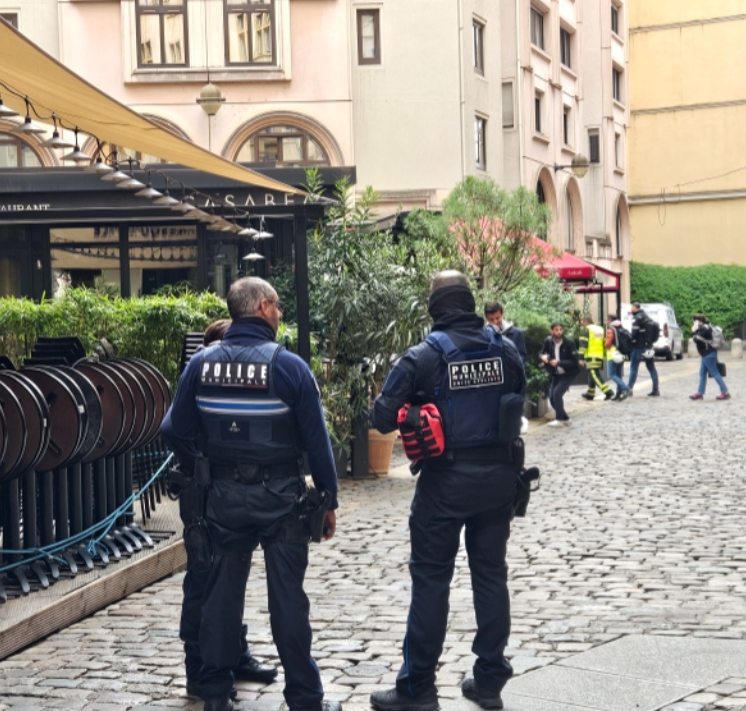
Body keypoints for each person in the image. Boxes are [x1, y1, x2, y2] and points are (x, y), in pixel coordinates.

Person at [160, 277, 341, 711]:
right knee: (288, 602)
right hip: (282, 501)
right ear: (262, 307)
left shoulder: (200, 364)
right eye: (277, 306)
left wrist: (203, 462)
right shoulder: (289, 366)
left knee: (220, 600)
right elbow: (318, 443)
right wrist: (329, 500)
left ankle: (217, 696)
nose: (280, 313)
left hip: (221, 499)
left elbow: (172, 430)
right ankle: (304, 697)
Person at [367, 270, 527, 711]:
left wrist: (414, 406)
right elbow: (519, 397)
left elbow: (381, 418)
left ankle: (418, 688)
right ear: (471, 302)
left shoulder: (422, 356)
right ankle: (490, 680)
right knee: (491, 576)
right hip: (498, 481)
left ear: (434, 308)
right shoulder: (506, 348)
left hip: (444, 484)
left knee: (432, 582)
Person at [175, 317, 277, 699]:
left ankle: (235, 654)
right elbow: (175, 429)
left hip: (225, 491)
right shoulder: (200, 375)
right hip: (203, 492)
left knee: (229, 582)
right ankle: (198, 668)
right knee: (203, 580)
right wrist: (201, 461)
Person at [540, 322, 579, 427]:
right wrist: (543, 357)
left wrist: (559, 362)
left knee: (557, 393)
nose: (559, 332)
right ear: (551, 331)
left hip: (569, 373)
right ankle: (565, 418)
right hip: (556, 373)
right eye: (556, 330)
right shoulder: (548, 341)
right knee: (552, 398)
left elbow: (574, 361)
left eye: (560, 330)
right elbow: (543, 353)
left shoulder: (569, 343)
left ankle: (559, 419)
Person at [689, 314, 730, 401]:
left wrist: (693, 331)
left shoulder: (704, 328)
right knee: (702, 373)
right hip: (706, 354)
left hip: (708, 353)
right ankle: (700, 393)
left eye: (694, 321)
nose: (693, 322)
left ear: (697, 321)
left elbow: (697, 339)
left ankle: (725, 392)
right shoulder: (705, 327)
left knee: (714, 372)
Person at [627, 303, 660, 396]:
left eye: (632, 307)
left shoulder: (637, 317)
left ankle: (629, 388)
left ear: (635, 307)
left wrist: (631, 341)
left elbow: (634, 333)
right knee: (651, 368)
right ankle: (655, 389)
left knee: (634, 368)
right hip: (648, 346)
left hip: (638, 346)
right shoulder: (646, 317)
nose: (631, 308)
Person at [578, 315, 614, 401]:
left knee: (594, 375)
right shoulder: (600, 329)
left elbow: (583, 344)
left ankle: (608, 392)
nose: (583, 324)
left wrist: (580, 357)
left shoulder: (586, 329)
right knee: (591, 375)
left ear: (586, 321)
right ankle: (590, 393)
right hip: (599, 355)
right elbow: (603, 342)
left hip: (591, 355)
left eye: (583, 322)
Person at [604, 314, 631, 401]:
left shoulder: (610, 329)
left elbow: (608, 343)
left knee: (611, 374)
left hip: (612, 354)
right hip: (621, 354)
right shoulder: (621, 328)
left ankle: (625, 388)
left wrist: (604, 345)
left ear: (610, 320)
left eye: (607, 319)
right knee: (618, 375)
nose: (606, 321)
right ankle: (618, 394)